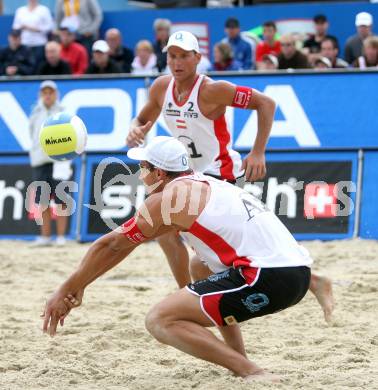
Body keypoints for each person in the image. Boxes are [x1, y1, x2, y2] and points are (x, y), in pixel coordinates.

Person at [42, 136, 334, 381]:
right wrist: (82, 283)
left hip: (268, 279)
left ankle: (251, 371)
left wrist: (66, 289)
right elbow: (138, 243)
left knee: (160, 319)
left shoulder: (168, 198)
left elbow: (111, 244)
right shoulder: (205, 183)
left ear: (159, 173)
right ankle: (240, 358)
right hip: (298, 273)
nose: (139, 173)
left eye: (142, 167)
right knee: (199, 266)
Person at [126, 31, 334, 322]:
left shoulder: (212, 90)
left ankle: (190, 298)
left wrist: (258, 152)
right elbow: (142, 119)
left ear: (197, 58)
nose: (177, 62)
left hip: (218, 173)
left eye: (185, 55)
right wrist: (137, 129)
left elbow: (267, 104)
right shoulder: (162, 87)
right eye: (172, 56)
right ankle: (186, 293)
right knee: (169, 235)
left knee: (214, 249)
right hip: (184, 174)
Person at [29, 80, 71, 246]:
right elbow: (32, 135)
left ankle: (61, 237)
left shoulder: (63, 113)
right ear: (41, 94)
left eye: (50, 92)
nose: (47, 95)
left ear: (56, 94)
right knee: (42, 200)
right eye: (44, 92)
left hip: (59, 161)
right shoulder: (35, 113)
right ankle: (45, 237)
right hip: (40, 160)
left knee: (61, 199)